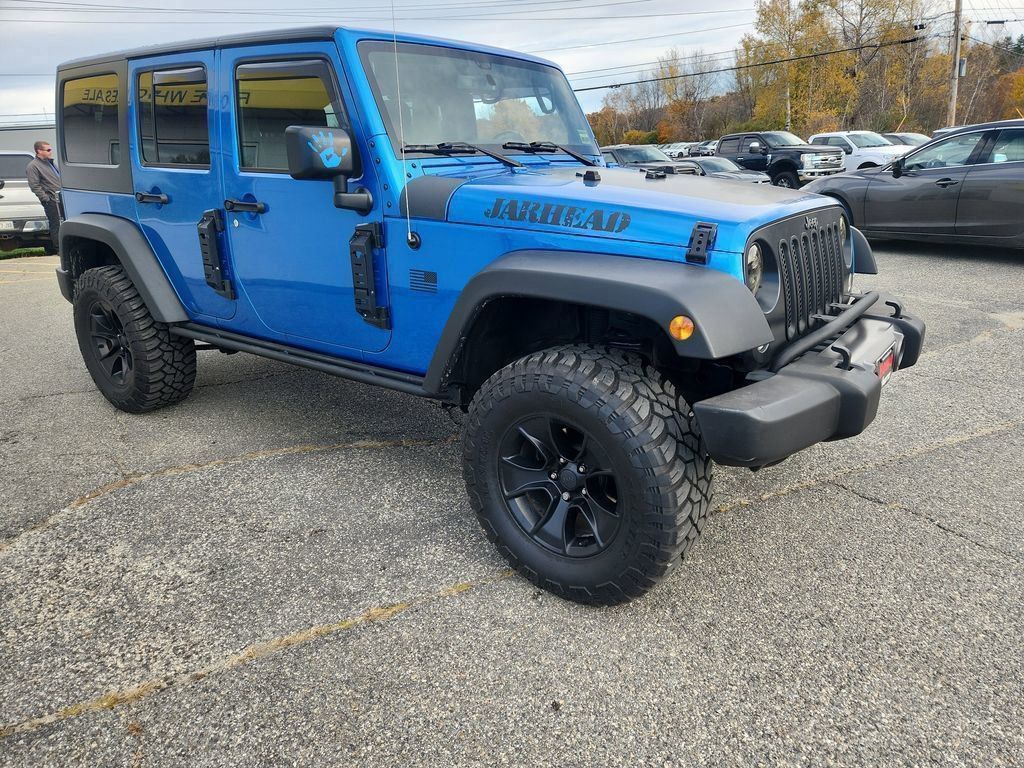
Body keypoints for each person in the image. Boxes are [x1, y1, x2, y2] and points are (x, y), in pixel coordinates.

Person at [26, 140, 62, 254]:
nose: (51, 152)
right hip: (51, 200)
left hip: (61, 198)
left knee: (64, 223)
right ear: (39, 151)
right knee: (56, 224)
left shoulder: (50, 163)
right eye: (48, 150)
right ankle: (59, 249)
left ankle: (65, 247)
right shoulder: (33, 166)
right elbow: (34, 185)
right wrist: (46, 199)